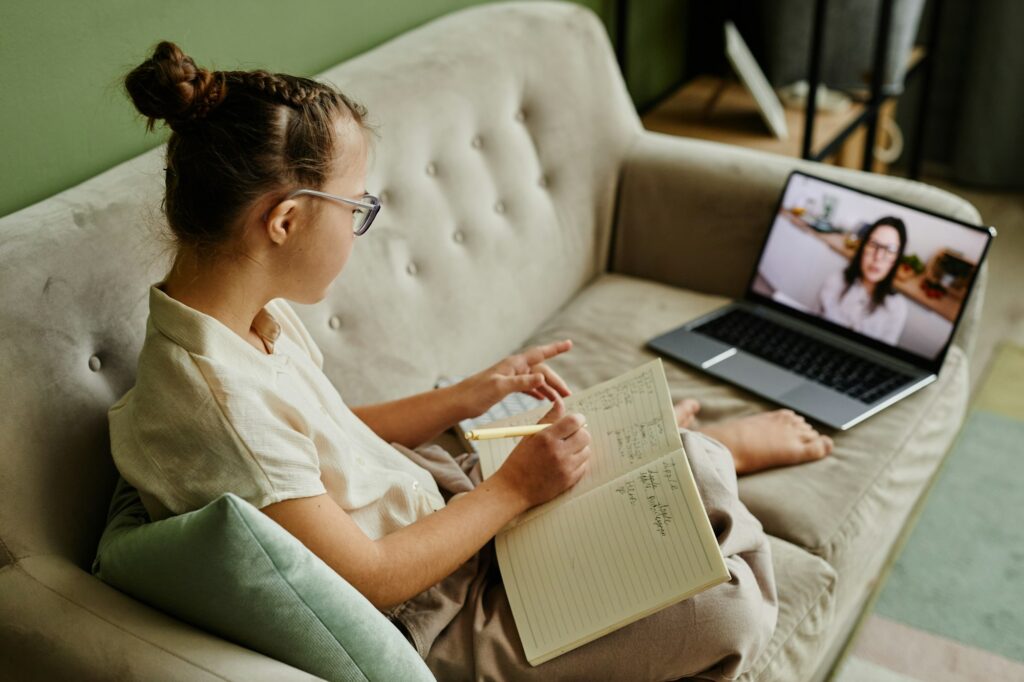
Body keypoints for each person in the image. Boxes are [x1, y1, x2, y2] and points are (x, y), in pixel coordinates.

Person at [108, 42, 835, 681]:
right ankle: (693, 456)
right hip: (437, 609)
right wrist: (514, 491)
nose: (361, 230)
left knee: (633, 449)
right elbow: (374, 579)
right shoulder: (216, 404)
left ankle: (675, 454)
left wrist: (467, 395)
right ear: (286, 219)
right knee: (728, 613)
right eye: (355, 209)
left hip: (434, 498)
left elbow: (330, 434)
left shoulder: (248, 319)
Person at [817, 217, 909, 345]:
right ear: (863, 247)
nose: (878, 257)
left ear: (897, 259)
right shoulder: (835, 281)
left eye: (890, 250)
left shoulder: (897, 308)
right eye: (873, 244)